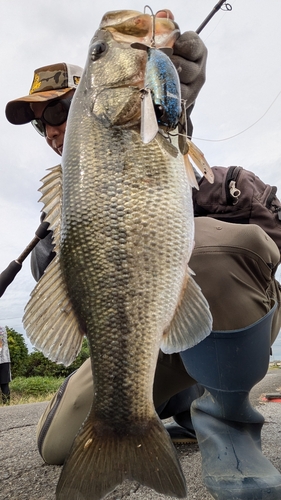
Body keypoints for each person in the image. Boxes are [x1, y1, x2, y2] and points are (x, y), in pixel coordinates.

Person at [5, 13, 281, 500]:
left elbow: (164, 156)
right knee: (57, 444)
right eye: (39, 123)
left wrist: (177, 107)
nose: (49, 130)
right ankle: (164, 411)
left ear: (92, 96)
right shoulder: (60, 221)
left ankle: (227, 420)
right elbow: (74, 300)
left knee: (223, 250)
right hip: (140, 347)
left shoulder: (180, 156)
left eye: (60, 110)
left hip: (214, 330)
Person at [0, 326, 11, 404]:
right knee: (4, 384)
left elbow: (1, 343)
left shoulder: (1, 329)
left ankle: (6, 403)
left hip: (4, 360)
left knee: (4, 384)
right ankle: (6, 403)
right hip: (4, 360)